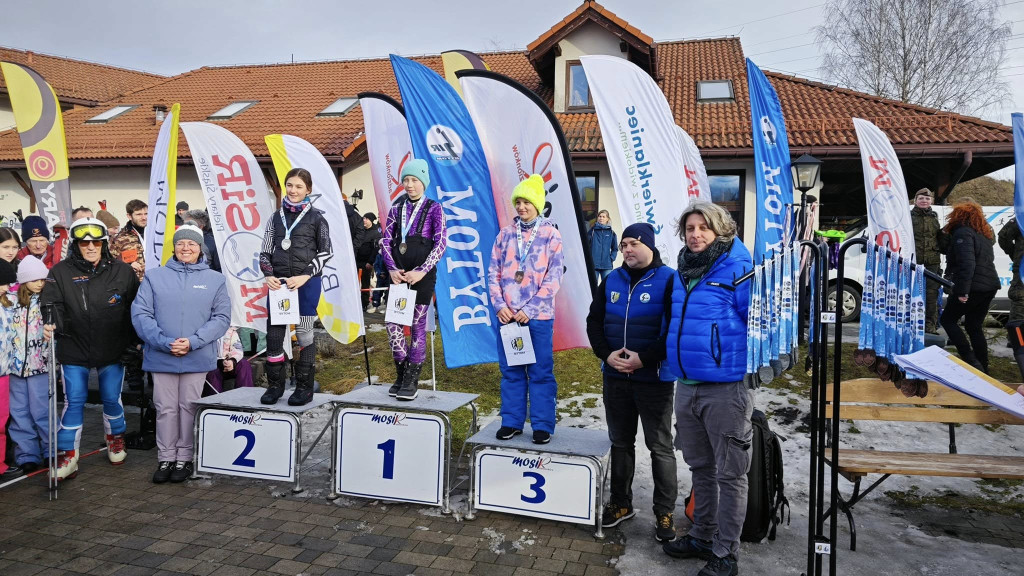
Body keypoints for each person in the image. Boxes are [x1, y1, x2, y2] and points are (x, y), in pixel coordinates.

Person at [662, 202, 752, 576]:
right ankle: (702, 534)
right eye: (689, 228)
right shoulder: (683, 269)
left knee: (730, 474)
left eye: (703, 227)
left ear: (719, 230)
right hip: (686, 385)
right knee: (700, 467)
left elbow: (757, 321)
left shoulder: (739, 268)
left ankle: (725, 552)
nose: (695, 234)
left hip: (726, 389)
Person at [586, 222, 677, 542]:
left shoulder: (669, 280)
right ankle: (621, 504)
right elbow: (594, 320)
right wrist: (606, 354)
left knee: (660, 447)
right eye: (623, 244)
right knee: (621, 443)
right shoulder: (612, 278)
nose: (626, 250)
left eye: (633, 244)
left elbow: (673, 330)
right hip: (615, 377)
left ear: (649, 246)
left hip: (653, 378)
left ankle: (664, 511)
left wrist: (645, 358)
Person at [42, 217, 140, 480]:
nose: (90, 247)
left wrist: (135, 341)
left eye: (96, 242)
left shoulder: (122, 271)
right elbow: (51, 303)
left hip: (111, 347)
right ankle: (68, 455)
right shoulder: (60, 271)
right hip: (74, 346)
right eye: (84, 243)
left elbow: (135, 308)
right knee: (74, 400)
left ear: (104, 243)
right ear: (76, 245)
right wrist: (52, 322)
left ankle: (115, 439)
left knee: (111, 398)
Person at [132, 224, 230, 483]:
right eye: (181, 243)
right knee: (165, 408)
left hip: (196, 356)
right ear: (174, 247)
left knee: (188, 407)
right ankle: (165, 457)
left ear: (201, 248)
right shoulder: (155, 277)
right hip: (162, 355)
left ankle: (184, 458)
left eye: (192, 244)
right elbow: (141, 314)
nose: (186, 248)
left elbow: (221, 318)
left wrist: (194, 342)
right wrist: (164, 342)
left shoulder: (216, 280)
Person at [488, 174, 564, 444]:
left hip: (538, 317)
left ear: (538, 204)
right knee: (511, 371)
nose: (521, 207)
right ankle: (511, 421)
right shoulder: (505, 235)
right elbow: (493, 274)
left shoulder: (550, 235)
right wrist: (500, 306)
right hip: (508, 318)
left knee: (541, 372)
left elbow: (554, 278)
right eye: (518, 202)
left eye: (527, 202)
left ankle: (542, 424)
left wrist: (530, 309)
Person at [258, 168, 333, 406]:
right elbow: (264, 253)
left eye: (299, 186)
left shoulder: (318, 219)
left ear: (308, 190)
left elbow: (326, 252)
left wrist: (305, 276)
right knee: (274, 337)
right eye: (290, 185)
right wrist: (269, 275)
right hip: (279, 287)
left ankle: (304, 387)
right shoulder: (275, 217)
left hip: (305, 285)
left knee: (304, 334)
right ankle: (275, 386)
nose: (293, 190)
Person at [382, 159, 447, 401]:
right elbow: (386, 240)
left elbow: (440, 243)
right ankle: (401, 373)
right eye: (406, 180)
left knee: (417, 327)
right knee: (393, 325)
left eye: (414, 180)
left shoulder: (434, 208)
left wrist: (422, 270)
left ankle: (412, 379)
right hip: (398, 277)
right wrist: (391, 269)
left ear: (423, 183)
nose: (409, 185)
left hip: (422, 276)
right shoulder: (396, 208)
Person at [940, 200, 1000, 373]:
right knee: (973, 325)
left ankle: (971, 361)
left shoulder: (962, 233)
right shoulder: (983, 233)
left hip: (973, 286)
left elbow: (967, 264)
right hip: (989, 285)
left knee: (948, 320)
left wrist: (962, 291)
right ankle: (983, 368)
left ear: (959, 215)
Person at [7, 256, 52, 476]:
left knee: (42, 410)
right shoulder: (11, 301)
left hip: (39, 366)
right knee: (19, 412)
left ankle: (51, 449)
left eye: (42, 279)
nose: (39, 283)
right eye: (34, 279)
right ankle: (27, 455)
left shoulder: (48, 301)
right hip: (15, 367)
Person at [910, 188, 944, 333]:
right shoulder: (907, 217)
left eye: (927, 199)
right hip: (912, 262)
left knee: (931, 295)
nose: (924, 201)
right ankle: (910, 323)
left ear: (931, 201)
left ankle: (930, 326)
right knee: (911, 293)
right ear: (915, 201)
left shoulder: (935, 217)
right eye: (921, 198)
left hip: (932, 262)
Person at [0, 259, 19, 480]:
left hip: (4, 372)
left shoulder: (7, 304)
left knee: (2, 421)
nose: (6, 288)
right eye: (2, 283)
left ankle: (1, 464)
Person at [205, 327, 254, 394]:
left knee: (244, 364)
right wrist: (220, 362)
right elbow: (204, 354)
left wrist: (232, 361)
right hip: (214, 363)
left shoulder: (230, 331)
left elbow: (237, 349)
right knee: (212, 371)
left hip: (229, 362)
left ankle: (245, 394)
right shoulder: (204, 332)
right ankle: (216, 400)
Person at [110, 199, 148, 281]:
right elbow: (111, 261)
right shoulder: (120, 238)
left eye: (146, 214)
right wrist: (128, 264)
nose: (144, 218)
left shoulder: (156, 234)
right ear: (129, 216)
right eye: (139, 214)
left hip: (156, 282)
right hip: (135, 284)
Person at [998, 219, 1024, 326]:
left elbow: (1003, 236)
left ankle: (1016, 341)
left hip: (1022, 272)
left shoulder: (1021, 217)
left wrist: (1016, 256)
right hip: (1021, 272)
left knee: (1019, 311)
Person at [357, 213, 382, 311]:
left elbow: (375, 249)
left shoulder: (375, 233)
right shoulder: (360, 231)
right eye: (364, 218)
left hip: (366, 263)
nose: (364, 220)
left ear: (371, 220)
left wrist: (370, 262)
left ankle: (364, 303)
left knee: (365, 283)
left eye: (367, 218)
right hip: (356, 261)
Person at [588, 210, 618, 283]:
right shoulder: (592, 231)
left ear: (607, 219)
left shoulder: (611, 233)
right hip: (593, 265)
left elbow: (615, 248)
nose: (601, 218)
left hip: (607, 265)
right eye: (600, 216)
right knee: (593, 287)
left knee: (607, 286)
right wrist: (589, 259)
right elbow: (585, 246)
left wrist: (611, 258)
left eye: (603, 217)